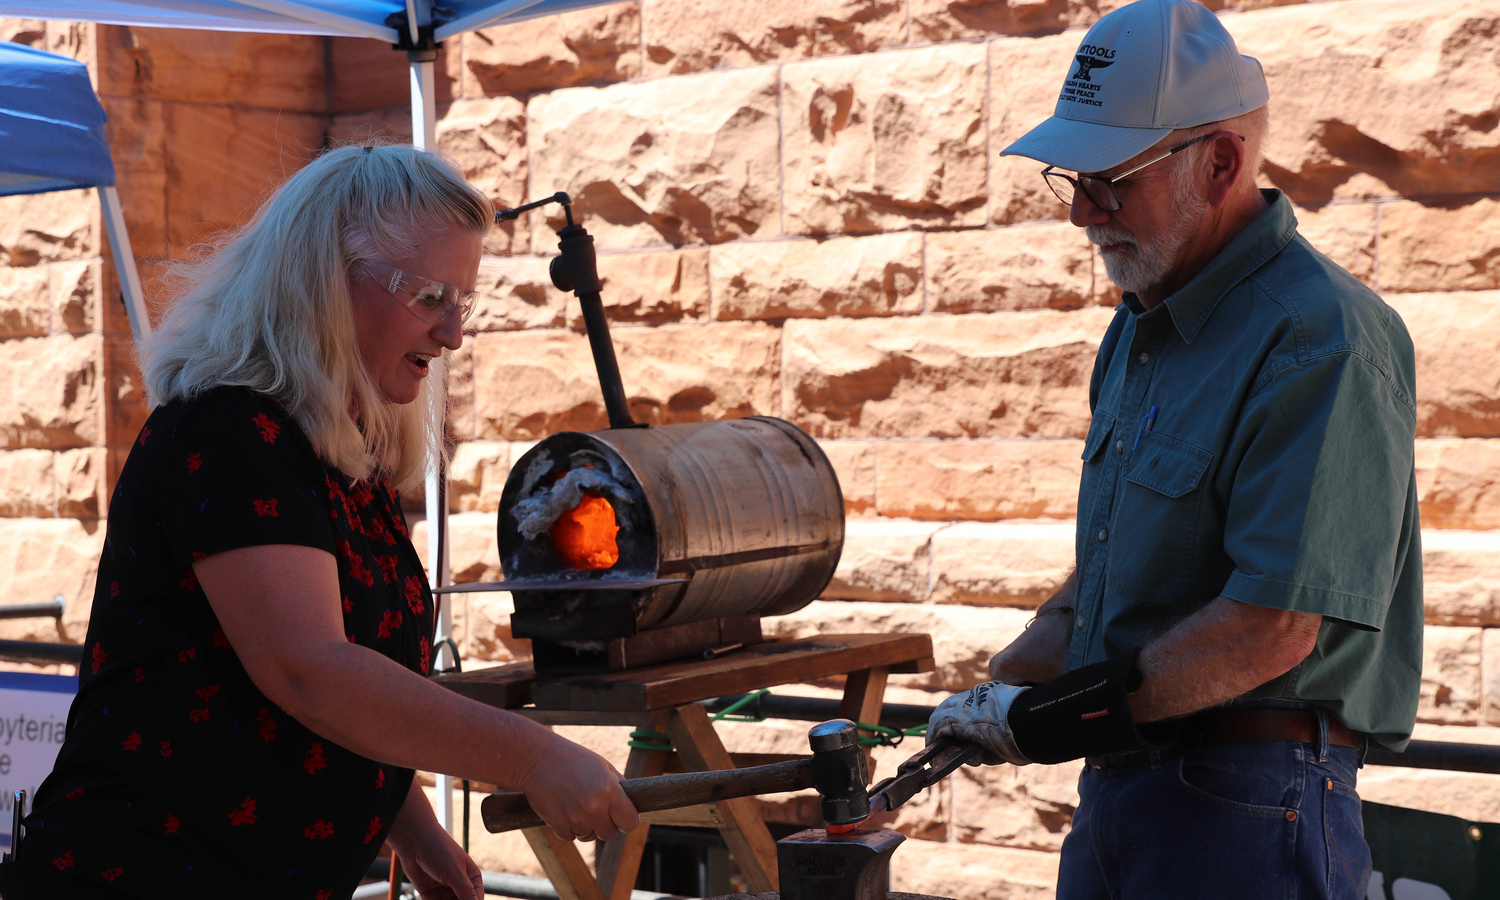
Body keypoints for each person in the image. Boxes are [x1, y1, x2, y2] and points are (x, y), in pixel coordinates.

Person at [0, 145, 639, 900]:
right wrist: (534, 757)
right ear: (324, 283)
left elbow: (335, 670)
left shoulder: (335, 443)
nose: (453, 333)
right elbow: (308, 668)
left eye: (461, 301)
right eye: (431, 295)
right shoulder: (228, 428)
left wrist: (412, 825)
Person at [925, 2, 1420, 898]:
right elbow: (1121, 569)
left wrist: (1050, 716)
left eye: (1110, 180)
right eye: (1070, 178)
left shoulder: (1323, 335)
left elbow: (1271, 627)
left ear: (1222, 161)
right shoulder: (1144, 320)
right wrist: (1004, 684)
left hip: (1249, 806)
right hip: (1127, 789)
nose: (1081, 212)